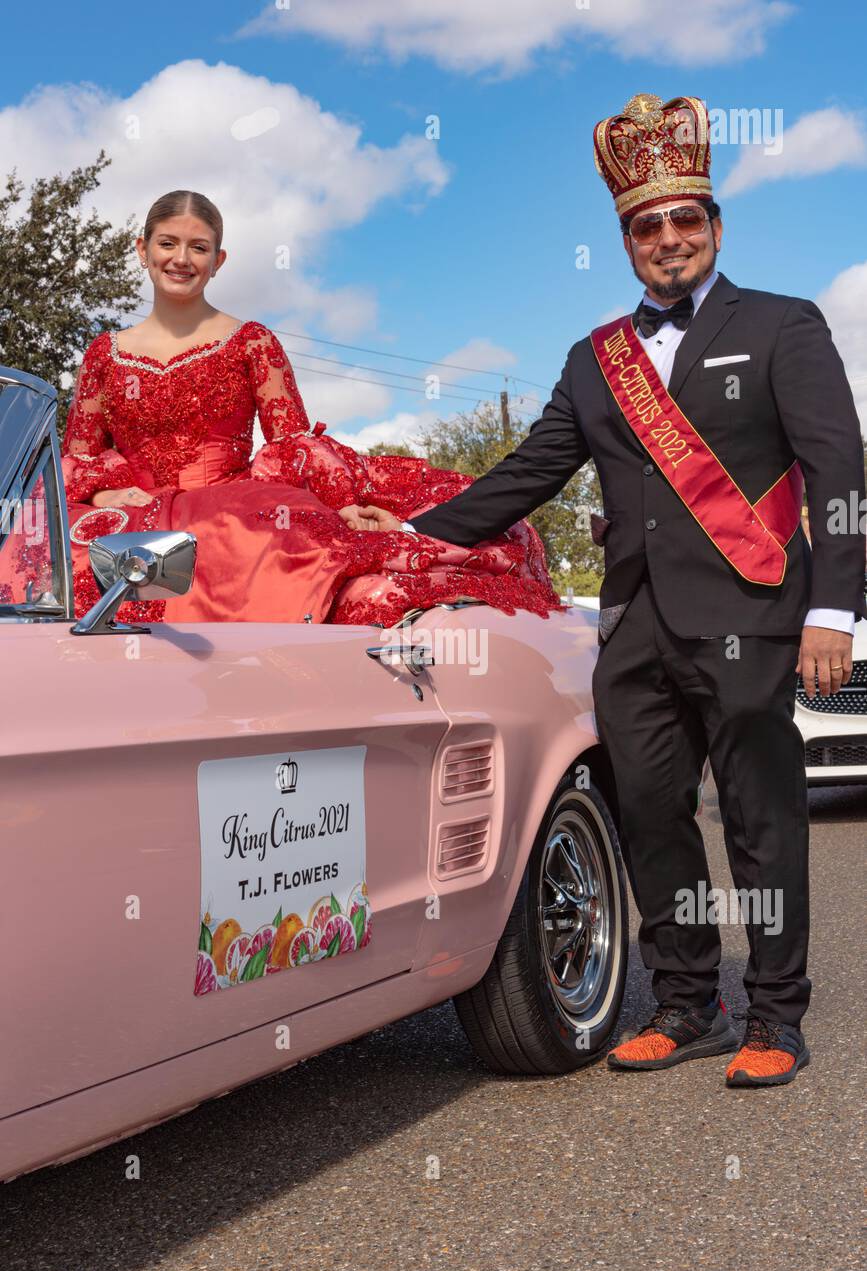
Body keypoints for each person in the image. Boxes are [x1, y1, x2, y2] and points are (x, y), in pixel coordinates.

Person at [352, 94, 867, 1088]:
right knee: (647, 813)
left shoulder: (783, 326)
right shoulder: (596, 361)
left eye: (686, 221)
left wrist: (832, 610)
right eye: (646, 226)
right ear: (625, 239)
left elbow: (838, 475)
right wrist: (410, 531)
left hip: (757, 616)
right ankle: (686, 1003)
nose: (668, 239)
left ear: (715, 228)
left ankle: (775, 1015)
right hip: (633, 627)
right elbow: (525, 474)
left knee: (763, 819)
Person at [61, 189, 561, 629]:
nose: (181, 259)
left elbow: (291, 445)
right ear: (142, 250)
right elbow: (78, 459)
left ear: (219, 260)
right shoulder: (105, 354)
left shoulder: (252, 342)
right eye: (168, 243)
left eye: (199, 247)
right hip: (128, 515)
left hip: (228, 511)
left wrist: (336, 506)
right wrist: (104, 495)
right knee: (51, 558)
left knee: (324, 574)